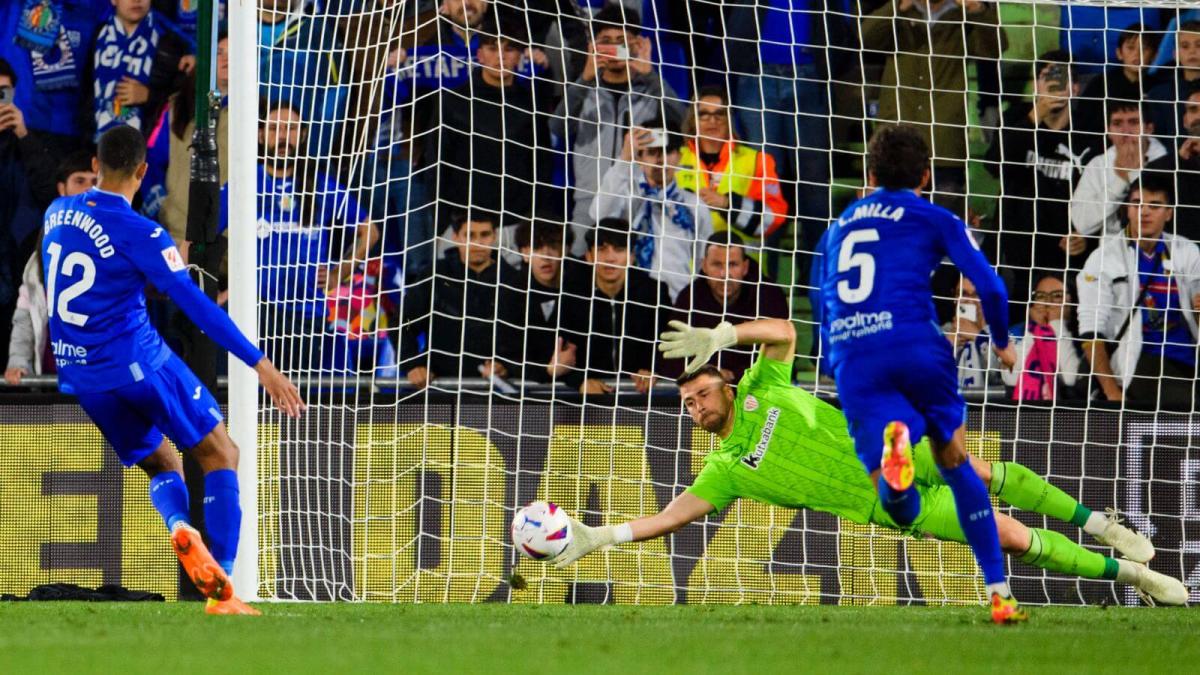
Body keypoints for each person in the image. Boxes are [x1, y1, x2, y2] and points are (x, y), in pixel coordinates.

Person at [550, 318, 1186, 614]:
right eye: (685, 402)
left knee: (985, 470)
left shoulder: (762, 388)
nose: (693, 406)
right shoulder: (726, 466)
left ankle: (1102, 522)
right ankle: (1129, 571)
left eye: (700, 393)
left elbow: (783, 334)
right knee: (1010, 536)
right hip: (891, 505)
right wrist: (602, 535)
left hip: (895, 446)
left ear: (725, 382)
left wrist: (724, 335)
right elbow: (673, 516)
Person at [42, 125, 304, 615]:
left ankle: (181, 527)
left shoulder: (58, 212)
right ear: (143, 171)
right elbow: (198, 308)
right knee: (221, 452)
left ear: (96, 166)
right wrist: (261, 366)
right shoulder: (143, 232)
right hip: (139, 364)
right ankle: (222, 584)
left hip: (83, 377)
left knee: (163, 461)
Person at [818, 125, 1024, 621]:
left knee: (900, 510)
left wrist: (833, 357)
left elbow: (817, 298)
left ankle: (898, 452)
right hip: (917, 345)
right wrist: (1001, 341)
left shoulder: (837, 226)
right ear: (926, 175)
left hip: (856, 357)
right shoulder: (935, 215)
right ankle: (998, 593)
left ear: (869, 175)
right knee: (955, 461)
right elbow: (991, 288)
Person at [219, 99, 379, 373]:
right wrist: (216, 294)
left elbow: (370, 230)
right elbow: (200, 237)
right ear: (260, 135)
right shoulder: (243, 183)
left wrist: (338, 272)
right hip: (254, 313)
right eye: (275, 129)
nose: (283, 136)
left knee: (299, 404)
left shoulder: (319, 184)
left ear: (303, 134)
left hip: (306, 317)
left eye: (291, 129)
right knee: (249, 401)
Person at [551, 4, 684, 255]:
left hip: (639, 204)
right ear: (594, 45)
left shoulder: (651, 92)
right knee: (582, 277)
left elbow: (685, 125)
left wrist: (651, 76)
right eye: (606, 41)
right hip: (589, 204)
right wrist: (585, 79)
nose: (614, 48)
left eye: (622, 41)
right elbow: (558, 127)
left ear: (636, 44)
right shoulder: (584, 91)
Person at [1077, 173, 1200, 410]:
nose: (1144, 212)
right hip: (1140, 363)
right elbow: (1091, 334)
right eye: (1137, 204)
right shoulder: (1103, 259)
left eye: (1155, 205)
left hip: (1190, 359)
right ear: (1127, 210)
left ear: (1169, 213)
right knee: (1182, 405)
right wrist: (1112, 393)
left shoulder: (1187, 251)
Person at [860, 0, 1006, 198]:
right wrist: (898, 6)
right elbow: (866, 39)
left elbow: (994, 49)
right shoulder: (901, 12)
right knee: (893, 220)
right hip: (896, 145)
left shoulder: (964, 16)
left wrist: (977, 9)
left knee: (942, 218)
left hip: (945, 145)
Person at [983, 52, 1093, 308]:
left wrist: (1086, 236)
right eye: (1047, 76)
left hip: (1064, 255)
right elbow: (994, 165)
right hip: (1015, 251)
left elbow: (1100, 191)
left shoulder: (1089, 130)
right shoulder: (1015, 117)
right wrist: (1037, 115)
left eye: (1061, 76)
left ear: (1074, 87)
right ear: (1036, 85)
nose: (1054, 83)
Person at [424, 26, 558, 227]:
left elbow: (542, 165)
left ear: (520, 56)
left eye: (509, 49)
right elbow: (437, 163)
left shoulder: (532, 103)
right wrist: (442, 222)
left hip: (517, 224)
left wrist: (534, 218)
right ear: (480, 55)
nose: (501, 56)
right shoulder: (453, 100)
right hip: (463, 225)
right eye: (493, 49)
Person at [590, 124, 713, 301]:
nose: (660, 160)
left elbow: (705, 261)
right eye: (652, 152)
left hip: (678, 300)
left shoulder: (694, 205)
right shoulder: (625, 196)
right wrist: (625, 158)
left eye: (667, 151)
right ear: (639, 158)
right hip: (630, 299)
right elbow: (598, 215)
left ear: (679, 156)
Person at [398, 209, 518, 389]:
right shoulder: (435, 275)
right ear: (455, 237)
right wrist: (412, 365)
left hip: (496, 391)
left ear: (494, 236)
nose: (477, 243)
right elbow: (402, 322)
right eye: (469, 235)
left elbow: (525, 338)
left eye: (484, 235)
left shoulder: (514, 280)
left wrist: (507, 366)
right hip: (439, 388)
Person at [6, 151, 95, 386]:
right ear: (61, 188)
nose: (88, 189)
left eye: (95, 182)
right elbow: (26, 316)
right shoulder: (41, 255)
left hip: (98, 383)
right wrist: (18, 361)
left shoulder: (115, 246)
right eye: (80, 181)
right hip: (50, 380)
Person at [676, 86, 788, 256]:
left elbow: (773, 219)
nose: (712, 121)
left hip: (742, 271)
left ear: (729, 119)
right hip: (684, 272)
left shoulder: (757, 161)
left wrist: (728, 205)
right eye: (704, 114)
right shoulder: (672, 160)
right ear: (693, 120)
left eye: (719, 114)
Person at [559, 220, 666, 395]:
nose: (610, 258)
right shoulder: (572, 294)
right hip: (588, 398)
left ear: (631, 257)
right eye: (602, 250)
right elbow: (557, 354)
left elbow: (667, 346)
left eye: (619, 250)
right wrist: (580, 381)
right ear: (589, 257)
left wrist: (652, 370)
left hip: (640, 397)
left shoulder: (654, 293)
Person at [665, 234, 789, 382]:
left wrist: (733, 375)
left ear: (745, 267)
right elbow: (671, 356)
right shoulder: (689, 297)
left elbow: (782, 353)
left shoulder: (769, 296)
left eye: (733, 265)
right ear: (704, 266)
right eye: (717, 265)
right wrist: (705, 374)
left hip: (757, 389)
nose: (725, 274)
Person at [496, 219, 588, 389]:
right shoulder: (512, 294)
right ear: (524, 253)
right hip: (530, 395)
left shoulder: (584, 286)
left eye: (553, 247)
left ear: (566, 250)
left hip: (582, 392)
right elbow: (508, 357)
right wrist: (548, 371)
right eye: (537, 248)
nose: (546, 256)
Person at [87, 0, 195, 140]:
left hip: (147, 148)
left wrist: (149, 96)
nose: (136, 1)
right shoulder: (96, 36)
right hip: (98, 143)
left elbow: (183, 100)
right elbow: (84, 95)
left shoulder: (172, 43)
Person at [1071, 103, 1169, 240]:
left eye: (1134, 122)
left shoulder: (1169, 162)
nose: (1126, 131)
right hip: (1110, 255)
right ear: (1109, 131)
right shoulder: (1098, 165)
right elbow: (1081, 223)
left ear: (1149, 128)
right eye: (1117, 123)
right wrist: (1120, 180)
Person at [1000, 274, 1084, 402]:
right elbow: (1012, 377)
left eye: (1057, 296)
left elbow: (1071, 378)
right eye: (1041, 296)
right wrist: (1036, 329)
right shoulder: (1017, 332)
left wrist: (1057, 325)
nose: (1048, 303)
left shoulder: (1084, 337)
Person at [1073, 24, 1159, 146]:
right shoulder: (1100, 84)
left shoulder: (1159, 87)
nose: (1137, 54)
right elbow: (1083, 125)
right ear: (1119, 53)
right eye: (1130, 48)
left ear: (1155, 55)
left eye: (1144, 49)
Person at [943, 276, 1001, 390]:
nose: (969, 300)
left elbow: (996, 375)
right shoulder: (940, 332)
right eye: (963, 293)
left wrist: (978, 336)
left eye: (976, 294)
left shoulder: (1000, 335)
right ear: (954, 297)